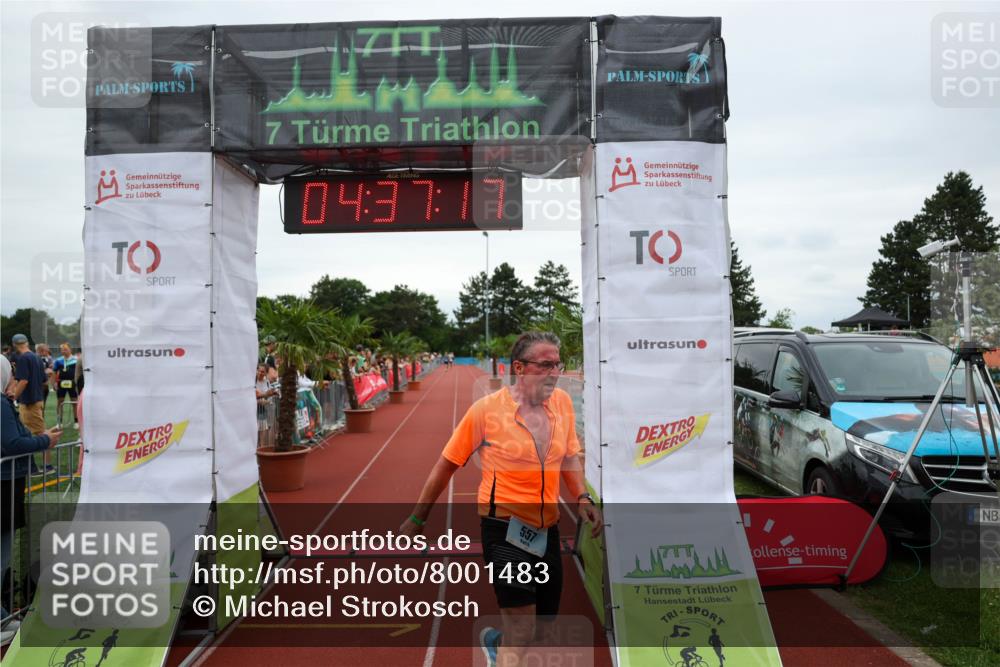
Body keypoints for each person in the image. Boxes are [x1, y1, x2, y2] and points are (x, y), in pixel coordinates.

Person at [401, 331, 602, 667]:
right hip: (504, 528)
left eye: (557, 364)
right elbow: (446, 465)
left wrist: (581, 497)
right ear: (519, 368)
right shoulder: (486, 410)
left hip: (547, 528)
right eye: (545, 365)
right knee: (522, 628)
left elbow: (569, 456)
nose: (555, 372)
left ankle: (496, 642)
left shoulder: (563, 404)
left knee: (541, 627)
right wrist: (417, 518)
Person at [1, 355, 61, 645]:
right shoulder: (1, 405)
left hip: (7, 480)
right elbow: (12, 443)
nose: (13, 379)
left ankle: (3, 614)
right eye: (9, 374)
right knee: (2, 553)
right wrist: (44, 440)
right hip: (5, 483)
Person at [51, 343, 80, 425]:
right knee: (60, 402)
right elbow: (54, 372)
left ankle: (76, 422)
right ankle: (59, 422)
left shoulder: (76, 359)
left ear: (70, 349)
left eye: (65, 349)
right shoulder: (58, 360)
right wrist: (54, 383)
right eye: (62, 350)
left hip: (73, 383)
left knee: (74, 402)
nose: (63, 351)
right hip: (61, 383)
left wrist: (78, 383)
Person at [35, 344, 53, 410]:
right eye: (47, 351)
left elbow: (50, 370)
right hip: (37, 385)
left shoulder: (46, 358)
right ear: (41, 351)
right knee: (38, 404)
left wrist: (50, 369)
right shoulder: (34, 359)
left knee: (43, 404)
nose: (48, 353)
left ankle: (41, 415)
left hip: (45, 384)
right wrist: (45, 372)